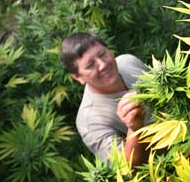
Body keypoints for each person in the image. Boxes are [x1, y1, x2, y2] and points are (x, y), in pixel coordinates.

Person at [60, 32, 149, 166]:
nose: (102, 65)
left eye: (102, 54)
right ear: (78, 77)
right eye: (90, 65)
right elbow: (127, 167)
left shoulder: (128, 61)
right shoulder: (89, 121)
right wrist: (135, 129)